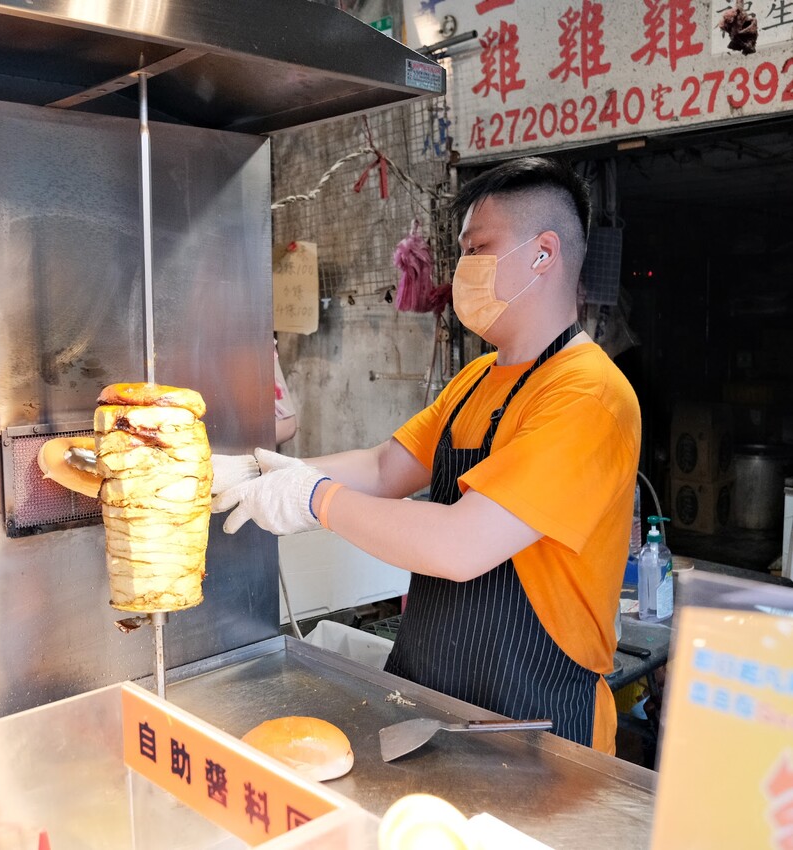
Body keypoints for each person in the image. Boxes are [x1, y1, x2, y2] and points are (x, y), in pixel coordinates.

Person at [211, 156, 641, 755]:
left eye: (478, 248)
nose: (460, 268)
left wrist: (314, 499)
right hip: (431, 704)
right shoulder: (474, 379)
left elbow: (462, 544)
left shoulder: (590, 394)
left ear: (544, 253)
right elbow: (388, 467)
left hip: (536, 725)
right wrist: (264, 472)